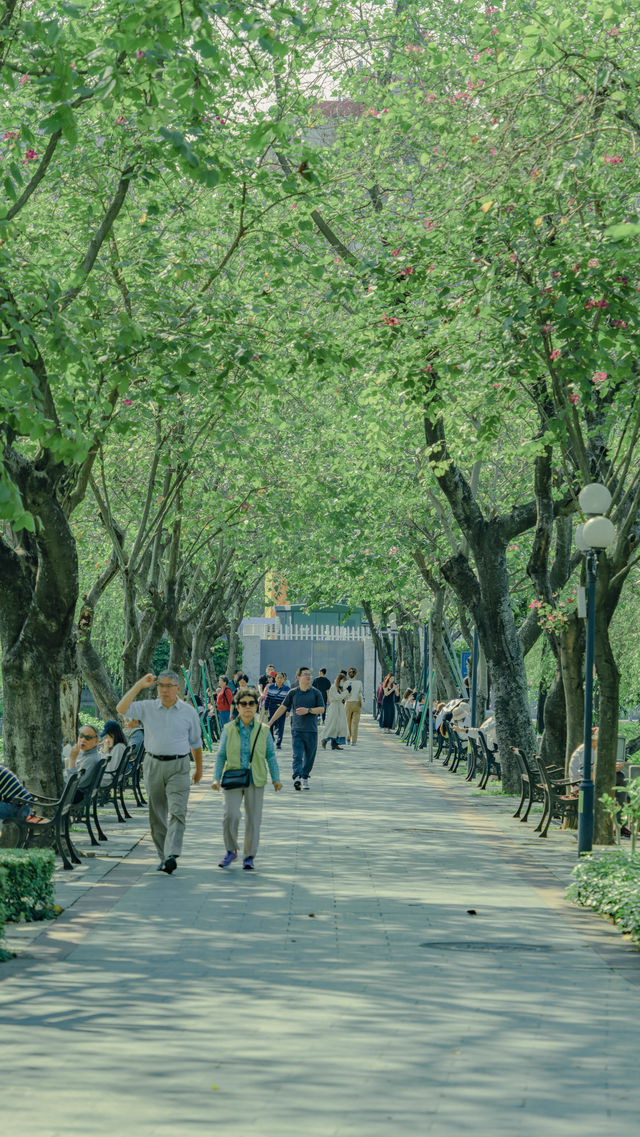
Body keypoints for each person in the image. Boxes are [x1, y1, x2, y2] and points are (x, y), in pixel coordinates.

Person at [116, 670, 203, 875]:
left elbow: (196, 743)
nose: (164, 690)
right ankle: (164, 857)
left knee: (178, 810)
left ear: (178, 689)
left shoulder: (188, 712)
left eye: (169, 686)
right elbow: (121, 708)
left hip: (179, 765)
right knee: (157, 814)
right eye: (161, 685)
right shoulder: (147, 708)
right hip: (153, 764)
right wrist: (139, 685)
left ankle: (172, 853)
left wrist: (199, 769)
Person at [212, 686, 282, 870]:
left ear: (256, 706)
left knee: (253, 819)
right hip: (233, 777)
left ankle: (249, 856)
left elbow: (270, 756)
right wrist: (215, 778)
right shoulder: (228, 729)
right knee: (230, 815)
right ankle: (230, 851)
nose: (248, 707)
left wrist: (276, 778)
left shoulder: (264, 730)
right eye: (243, 704)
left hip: (256, 778)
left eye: (252, 703)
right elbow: (220, 756)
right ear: (238, 706)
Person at [268, 665, 324, 791]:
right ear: (298, 677)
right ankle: (297, 777)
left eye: (309, 674)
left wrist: (308, 710)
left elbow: (321, 709)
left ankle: (304, 776)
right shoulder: (293, 693)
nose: (308, 676)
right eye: (305, 674)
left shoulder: (316, 692)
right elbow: (282, 708)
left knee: (310, 757)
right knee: (297, 755)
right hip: (297, 729)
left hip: (311, 730)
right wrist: (270, 722)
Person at [321, 672, 349, 751]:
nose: (343, 682)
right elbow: (337, 697)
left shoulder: (340, 688)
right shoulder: (333, 687)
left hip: (340, 707)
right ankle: (325, 740)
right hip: (334, 708)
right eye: (343, 681)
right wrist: (346, 692)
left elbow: (344, 697)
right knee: (333, 726)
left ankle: (335, 744)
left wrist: (347, 691)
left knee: (339, 726)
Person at [263, 671, 290, 749]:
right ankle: (271, 738)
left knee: (281, 725)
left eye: (281, 678)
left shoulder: (287, 689)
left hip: (282, 709)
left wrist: (288, 710)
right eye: (278, 677)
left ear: (284, 679)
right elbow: (267, 698)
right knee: (270, 723)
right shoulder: (271, 687)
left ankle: (279, 743)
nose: (279, 679)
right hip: (272, 708)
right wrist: (266, 708)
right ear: (275, 678)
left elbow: (289, 701)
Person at [100, 719, 129, 785]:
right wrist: (104, 750)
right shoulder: (118, 747)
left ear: (113, 735)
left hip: (108, 779)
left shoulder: (118, 748)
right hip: (107, 777)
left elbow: (110, 769)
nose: (106, 740)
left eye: (108, 737)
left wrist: (106, 751)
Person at [344, 667, 365, 746]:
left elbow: (344, 693)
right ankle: (354, 741)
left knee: (347, 722)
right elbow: (360, 692)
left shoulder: (346, 683)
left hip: (348, 704)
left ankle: (348, 739)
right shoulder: (359, 682)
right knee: (355, 723)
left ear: (348, 674)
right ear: (355, 674)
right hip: (357, 703)